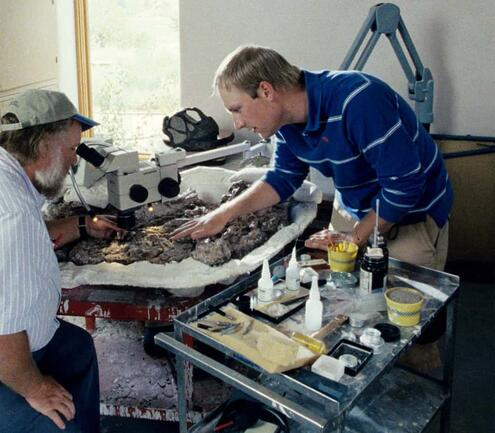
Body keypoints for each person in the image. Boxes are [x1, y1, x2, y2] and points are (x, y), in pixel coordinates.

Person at [171, 45, 453, 272]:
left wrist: (354, 238)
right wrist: (223, 214)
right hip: (354, 208)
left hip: (412, 216)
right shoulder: (285, 123)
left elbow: (404, 186)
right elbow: (282, 179)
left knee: (403, 326)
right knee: (342, 301)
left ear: (267, 91)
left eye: (238, 109)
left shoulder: (359, 100)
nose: (238, 124)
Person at [0, 89, 123, 433]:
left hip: (21, 343)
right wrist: (34, 388)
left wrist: (83, 225)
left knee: (77, 346)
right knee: (56, 420)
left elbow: (32, 234)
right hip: (7, 359)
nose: (74, 162)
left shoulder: (8, 177)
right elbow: (2, 331)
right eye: (71, 151)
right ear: (42, 148)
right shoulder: (12, 213)